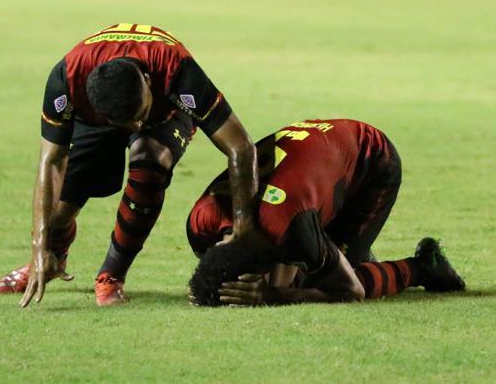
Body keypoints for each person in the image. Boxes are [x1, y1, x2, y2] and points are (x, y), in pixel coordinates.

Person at [0, 23, 259, 307]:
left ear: (147, 80)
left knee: (150, 161)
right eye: (129, 123)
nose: (137, 126)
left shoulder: (178, 70)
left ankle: (112, 275)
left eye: (141, 114)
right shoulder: (67, 79)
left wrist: (243, 228)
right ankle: (50, 259)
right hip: (100, 119)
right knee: (58, 210)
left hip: (166, 113)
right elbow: (52, 163)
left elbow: (241, 147)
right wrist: (39, 246)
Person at [186, 119, 464, 306]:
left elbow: (351, 291)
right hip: (314, 156)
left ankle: (424, 266)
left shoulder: (286, 225)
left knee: (332, 279)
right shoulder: (200, 225)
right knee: (304, 266)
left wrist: (274, 295)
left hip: (370, 159)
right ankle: (338, 251)